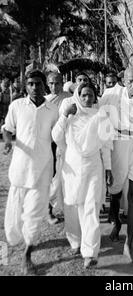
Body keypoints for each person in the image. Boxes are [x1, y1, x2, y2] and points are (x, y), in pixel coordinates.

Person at [52, 82, 114, 269]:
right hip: (72, 165)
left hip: (93, 165)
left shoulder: (101, 117)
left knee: (91, 207)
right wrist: (64, 116)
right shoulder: (70, 114)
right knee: (72, 206)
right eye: (84, 95)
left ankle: (90, 253)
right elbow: (56, 137)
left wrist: (108, 170)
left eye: (91, 95)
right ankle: (75, 242)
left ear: (96, 97)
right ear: (78, 96)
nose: (87, 98)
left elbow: (105, 146)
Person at [3, 70, 58, 274]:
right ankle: (19, 239)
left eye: (38, 83)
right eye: (31, 84)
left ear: (44, 85)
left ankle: (27, 255)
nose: (35, 87)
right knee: (16, 216)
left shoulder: (53, 110)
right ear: (26, 86)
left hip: (43, 168)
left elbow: (59, 134)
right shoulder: (16, 106)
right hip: (20, 168)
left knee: (34, 215)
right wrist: (8, 142)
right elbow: (7, 128)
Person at [99, 66, 133, 264]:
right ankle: (116, 224)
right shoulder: (111, 95)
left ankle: (129, 244)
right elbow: (98, 117)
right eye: (130, 80)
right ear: (123, 79)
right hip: (117, 143)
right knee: (115, 190)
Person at [45, 72, 71, 224]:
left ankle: (68, 208)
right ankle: (48, 210)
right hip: (49, 143)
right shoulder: (45, 101)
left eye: (57, 83)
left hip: (67, 142)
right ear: (48, 84)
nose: (54, 86)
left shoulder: (69, 98)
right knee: (51, 177)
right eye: (51, 83)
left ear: (63, 83)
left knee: (66, 177)